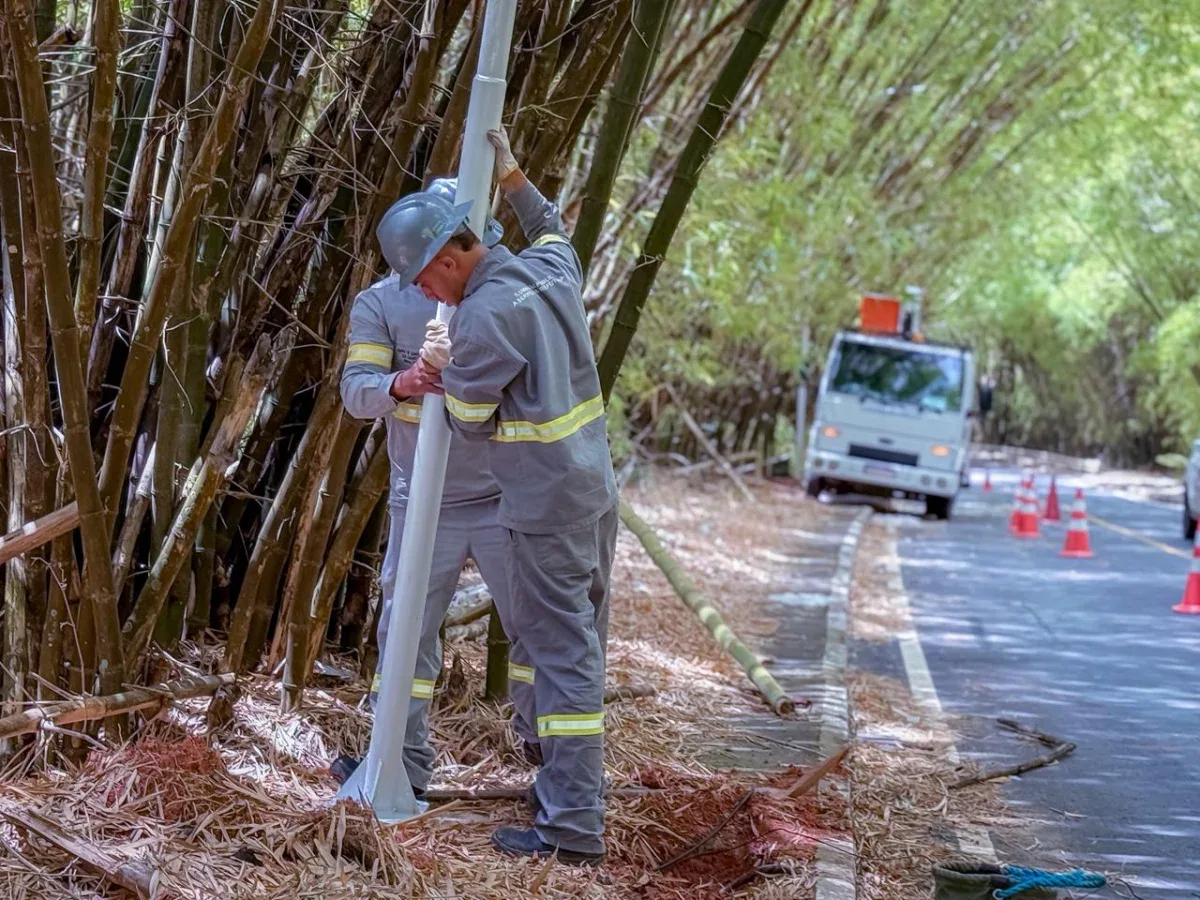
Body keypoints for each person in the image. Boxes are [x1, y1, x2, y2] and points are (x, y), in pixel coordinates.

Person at [378, 128, 617, 865]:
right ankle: (562, 799)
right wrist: (514, 175)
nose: (422, 295)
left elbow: (471, 425)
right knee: (579, 647)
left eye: (424, 281)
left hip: (543, 507)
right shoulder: (550, 268)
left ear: (450, 259)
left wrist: (441, 372)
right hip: (595, 490)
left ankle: (572, 827)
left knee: (562, 661)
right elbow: (550, 227)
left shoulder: (482, 319)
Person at [336, 177, 537, 798]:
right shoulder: (381, 304)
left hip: (505, 494)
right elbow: (355, 392)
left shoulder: (509, 292)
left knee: (537, 627)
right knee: (405, 630)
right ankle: (398, 762)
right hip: (421, 497)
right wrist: (405, 382)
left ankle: (555, 763)